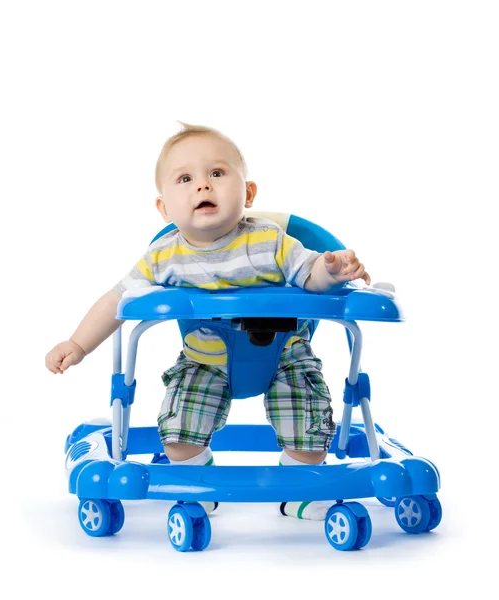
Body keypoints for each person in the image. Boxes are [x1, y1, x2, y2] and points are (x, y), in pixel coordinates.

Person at [45, 122, 371, 521]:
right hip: (205, 359)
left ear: (248, 193)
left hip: (286, 354)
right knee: (177, 435)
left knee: (309, 430)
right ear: (164, 207)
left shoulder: (270, 241)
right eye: (185, 178)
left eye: (217, 173)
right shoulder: (163, 258)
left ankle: (301, 483)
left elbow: (310, 276)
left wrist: (332, 269)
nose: (203, 186)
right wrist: (78, 344)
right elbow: (117, 300)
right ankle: (195, 478)